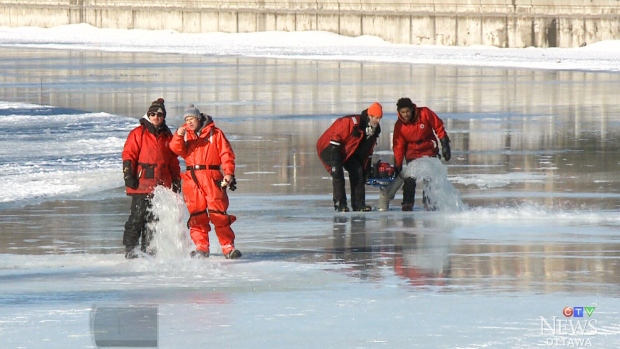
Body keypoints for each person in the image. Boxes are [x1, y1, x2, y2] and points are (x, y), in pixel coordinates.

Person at [169, 104, 241, 259]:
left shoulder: (215, 133)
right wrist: (178, 136)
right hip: (191, 179)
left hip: (212, 177)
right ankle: (201, 247)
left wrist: (229, 173)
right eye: (186, 119)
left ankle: (228, 247)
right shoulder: (185, 134)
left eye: (191, 118)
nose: (189, 122)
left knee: (218, 213)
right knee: (197, 214)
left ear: (198, 118)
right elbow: (175, 150)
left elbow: (226, 154)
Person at [122, 98, 181, 259]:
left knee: (153, 221)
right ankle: (131, 249)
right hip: (141, 183)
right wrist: (128, 174)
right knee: (137, 218)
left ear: (163, 117)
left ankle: (149, 251)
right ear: (148, 115)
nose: (156, 117)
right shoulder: (138, 133)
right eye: (153, 114)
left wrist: (176, 180)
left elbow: (173, 161)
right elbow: (129, 155)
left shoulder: (168, 136)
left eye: (159, 114)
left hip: (161, 186)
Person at [317, 102, 383, 212]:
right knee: (338, 174)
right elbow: (335, 138)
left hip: (348, 152)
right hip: (329, 147)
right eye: (376, 118)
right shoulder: (351, 122)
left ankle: (358, 204)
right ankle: (340, 204)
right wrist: (335, 162)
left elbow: (368, 151)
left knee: (358, 171)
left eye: (380, 118)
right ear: (369, 116)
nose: (378, 121)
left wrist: (366, 168)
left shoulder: (373, 131)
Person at [392, 97, 451, 211]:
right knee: (410, 178)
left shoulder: (424, 113)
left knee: (430, 177)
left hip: (429, 150)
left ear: (412, 109)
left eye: (407, 111)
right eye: (403, 112)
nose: (406, 115)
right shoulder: (399, 126)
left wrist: (445, 143)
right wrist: (398, 165)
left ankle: (429, 201)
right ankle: (407, 202)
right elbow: (398, 146)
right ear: (399, 112)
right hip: (412, 153)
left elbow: (438, 126)